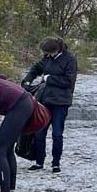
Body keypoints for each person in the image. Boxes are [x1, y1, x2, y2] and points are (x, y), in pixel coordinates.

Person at [22, 37, 77, 174]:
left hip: (61, 102)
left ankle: (56, 164)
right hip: (44, 100)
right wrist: (27, 80)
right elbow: (36, 68)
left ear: (56, 50)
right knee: (39, 132)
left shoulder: (70, 59)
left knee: (57, 134)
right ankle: (39, 161)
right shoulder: (48, 57)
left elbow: (69, 81)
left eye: (49, 53)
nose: (47, 55)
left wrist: (48, 78)